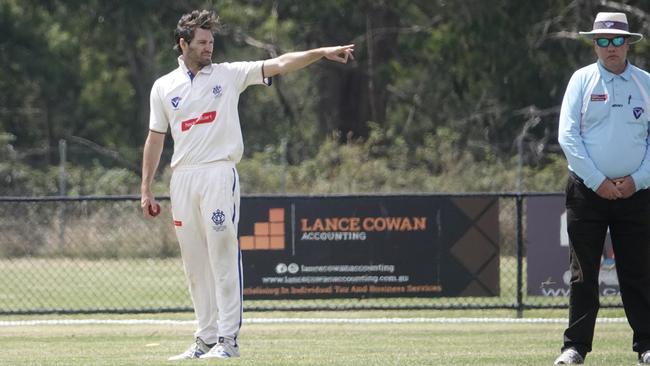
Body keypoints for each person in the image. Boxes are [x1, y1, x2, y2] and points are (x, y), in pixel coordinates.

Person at [139, 9, 354, 360]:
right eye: (202, 42)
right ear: (183, 44)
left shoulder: (229, 74)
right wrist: (146, 188)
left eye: (212, 41)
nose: (209, 47)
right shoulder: (163, 86)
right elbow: (155, 139)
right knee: (195, 264)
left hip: (218, 174)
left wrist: (319, 53)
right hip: (182, 178)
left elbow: (281, 63)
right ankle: (205, 338)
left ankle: (228, 341)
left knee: (222, 257)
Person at [556, 11, 650, 365]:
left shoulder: (645, 83)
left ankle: (646, 346)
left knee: (638, 273)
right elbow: (568, 136)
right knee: (583, 275)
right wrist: (598, 181)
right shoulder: (581, 81)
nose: (611, 48)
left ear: (628, 43)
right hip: (586, 193)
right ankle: (575, 347)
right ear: (595, 44)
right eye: (603, 41)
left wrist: (637, 180)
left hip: (636, 194)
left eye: (617, 40)